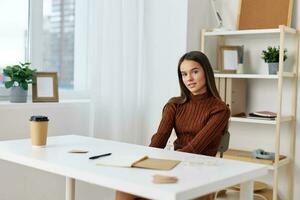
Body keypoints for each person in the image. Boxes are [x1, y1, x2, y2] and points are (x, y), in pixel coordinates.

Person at [116, 51, 230, 200]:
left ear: (206, 73)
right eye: (184, 74)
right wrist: (143, 163)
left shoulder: (220, 109)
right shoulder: (175, 104)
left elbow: (195, 148)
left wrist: (170, 168)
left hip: (201, 174)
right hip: (175, 167)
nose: (189, 78)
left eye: (194, 72)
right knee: (124, 189)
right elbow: (159, 139)